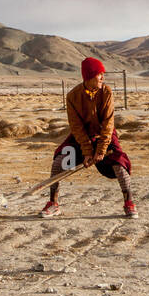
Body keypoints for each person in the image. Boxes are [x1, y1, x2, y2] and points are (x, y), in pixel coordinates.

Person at [40, 57, 136, 218]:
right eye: (99, 74)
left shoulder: (106, 92)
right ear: (90, 76)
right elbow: (76, 126)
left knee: (120, 163)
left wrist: (101, 150)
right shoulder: (73, 96)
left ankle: (129, 202)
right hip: (81, 138)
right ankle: (53, 203)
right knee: (59, 161)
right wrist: (87, 151)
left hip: (104, 136)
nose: (102, 78)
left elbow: (108, 123)